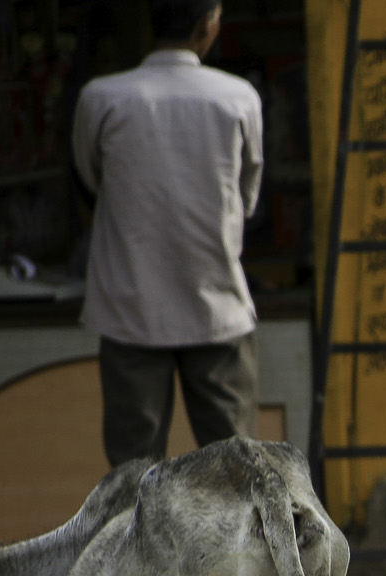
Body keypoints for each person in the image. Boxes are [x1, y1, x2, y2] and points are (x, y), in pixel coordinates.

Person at [73, 0, 262, 465]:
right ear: (209, 23)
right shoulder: (237, 98)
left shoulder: (102, 97)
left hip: (131, 308)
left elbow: (90, 181)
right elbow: (247, 197)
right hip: (216, 305)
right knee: (237, 474)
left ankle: (144, 543)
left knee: (133, 479)